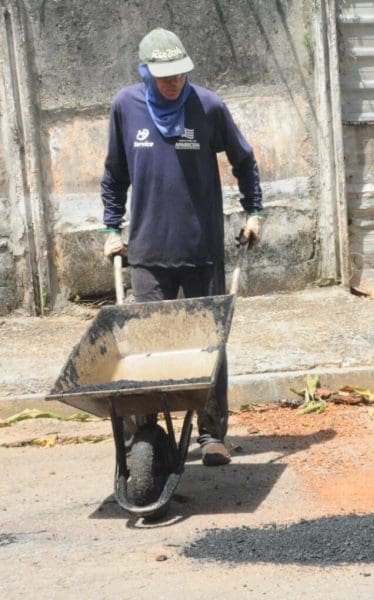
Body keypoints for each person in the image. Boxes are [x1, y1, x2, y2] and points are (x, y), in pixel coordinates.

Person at [100, 28, 265, 466]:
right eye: (164, 76)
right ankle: (146, 433)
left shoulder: (208, 107)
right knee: (144, 349)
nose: (173, 83)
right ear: (146, 72)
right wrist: (110, 228)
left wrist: (255, 212)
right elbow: (115, 174)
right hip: (148, 253)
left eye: (179, 74)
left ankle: (211, 435)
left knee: (209, 344)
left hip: (202, 249)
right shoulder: (126, 107)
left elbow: (244, 161)